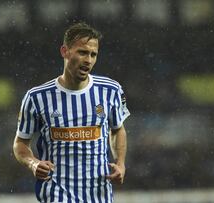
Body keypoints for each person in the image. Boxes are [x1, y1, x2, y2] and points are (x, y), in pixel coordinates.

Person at [13, 22, 130, 203]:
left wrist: (121, 164)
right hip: (56, 193)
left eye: (93, 54)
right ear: (65, 51)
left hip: (99, 194)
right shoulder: (37, 97)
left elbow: (117, 129)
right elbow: (20, 144)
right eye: (82, 52)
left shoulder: (111, 90)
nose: (88, 60)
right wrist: (33, 163)